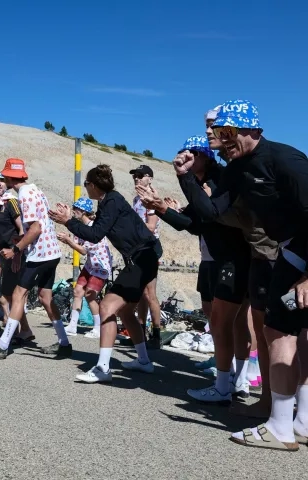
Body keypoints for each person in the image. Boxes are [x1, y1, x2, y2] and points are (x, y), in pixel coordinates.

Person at [173, 100, 308, 449]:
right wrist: (185, 178)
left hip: (303, 250)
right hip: (290, 249)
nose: (223, 140)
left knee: (280, 330)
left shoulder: (286, 160)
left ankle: (282, 425)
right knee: (289, 330)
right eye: (219, 133)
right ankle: (300, 421)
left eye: (229, 132)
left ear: (253, 130)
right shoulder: (235, 169)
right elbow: (211, 212)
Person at [139, 134, 253, 403]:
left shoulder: (216, 181)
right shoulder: (201, 182)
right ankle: (237, 380)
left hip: (231, 258)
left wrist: (173, 194)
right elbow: (191, 223)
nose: (186, 157)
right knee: (227, 322)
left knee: (225, 323)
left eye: (193, 153)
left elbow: (206, 216)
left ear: (205, 156)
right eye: (184, 152)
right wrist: (162, 209)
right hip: (216, 259)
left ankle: (228, 385)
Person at [49, 164, 159, 384]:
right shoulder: (110, 201)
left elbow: (95, 235)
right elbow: (93, 229)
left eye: (86, 184)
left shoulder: (111, 201)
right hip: (143, 258)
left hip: (141, 258)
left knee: (107, 307)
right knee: (126, 312)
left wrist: (67, 221)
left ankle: (102, 368)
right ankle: (144, 361)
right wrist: (72, 219)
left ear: (94, 185)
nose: (85, 188)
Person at [0, 158, 67, 359]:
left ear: (9, 177)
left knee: (17, 295)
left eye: (4, 176)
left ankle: (2, 344)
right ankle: (64, 342)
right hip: (52, 252)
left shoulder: (24, 195)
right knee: (45, 297)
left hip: (39, 254)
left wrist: (15, 250)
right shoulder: (36, 190)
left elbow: (35, 228)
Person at [57, 197, 112, 339]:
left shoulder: (94, 227)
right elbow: (78, 245)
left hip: (100, 266)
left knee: (90, 295)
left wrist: (68, 241)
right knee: (77, 291)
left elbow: (83, 250)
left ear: (83, 211)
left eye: (76, 209)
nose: (74, 211)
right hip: (90, 265)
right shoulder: (78, 227)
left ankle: (99, 328)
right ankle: (73, 325)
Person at [129, 165, 164, 348]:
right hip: (139, 247)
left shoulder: (152, 198)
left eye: (140, 175)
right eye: (135, 175)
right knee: (141, 293)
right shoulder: (136, 198)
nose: (136, 178)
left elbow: (151, 226)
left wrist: (129, 229)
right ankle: (140, 332)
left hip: (150, 247)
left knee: (150, 294)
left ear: (149, 178)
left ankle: (156, 335)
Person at [0, 171, 21, 334]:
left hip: (14, 251)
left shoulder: (11, 202)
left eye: (2, 181)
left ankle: (15, 327)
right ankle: (11, 322)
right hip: (3, 252)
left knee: (10, 290)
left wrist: (17, 253)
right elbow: (1, 233)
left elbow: (21, 229)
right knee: (2, 288)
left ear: (7, 184)